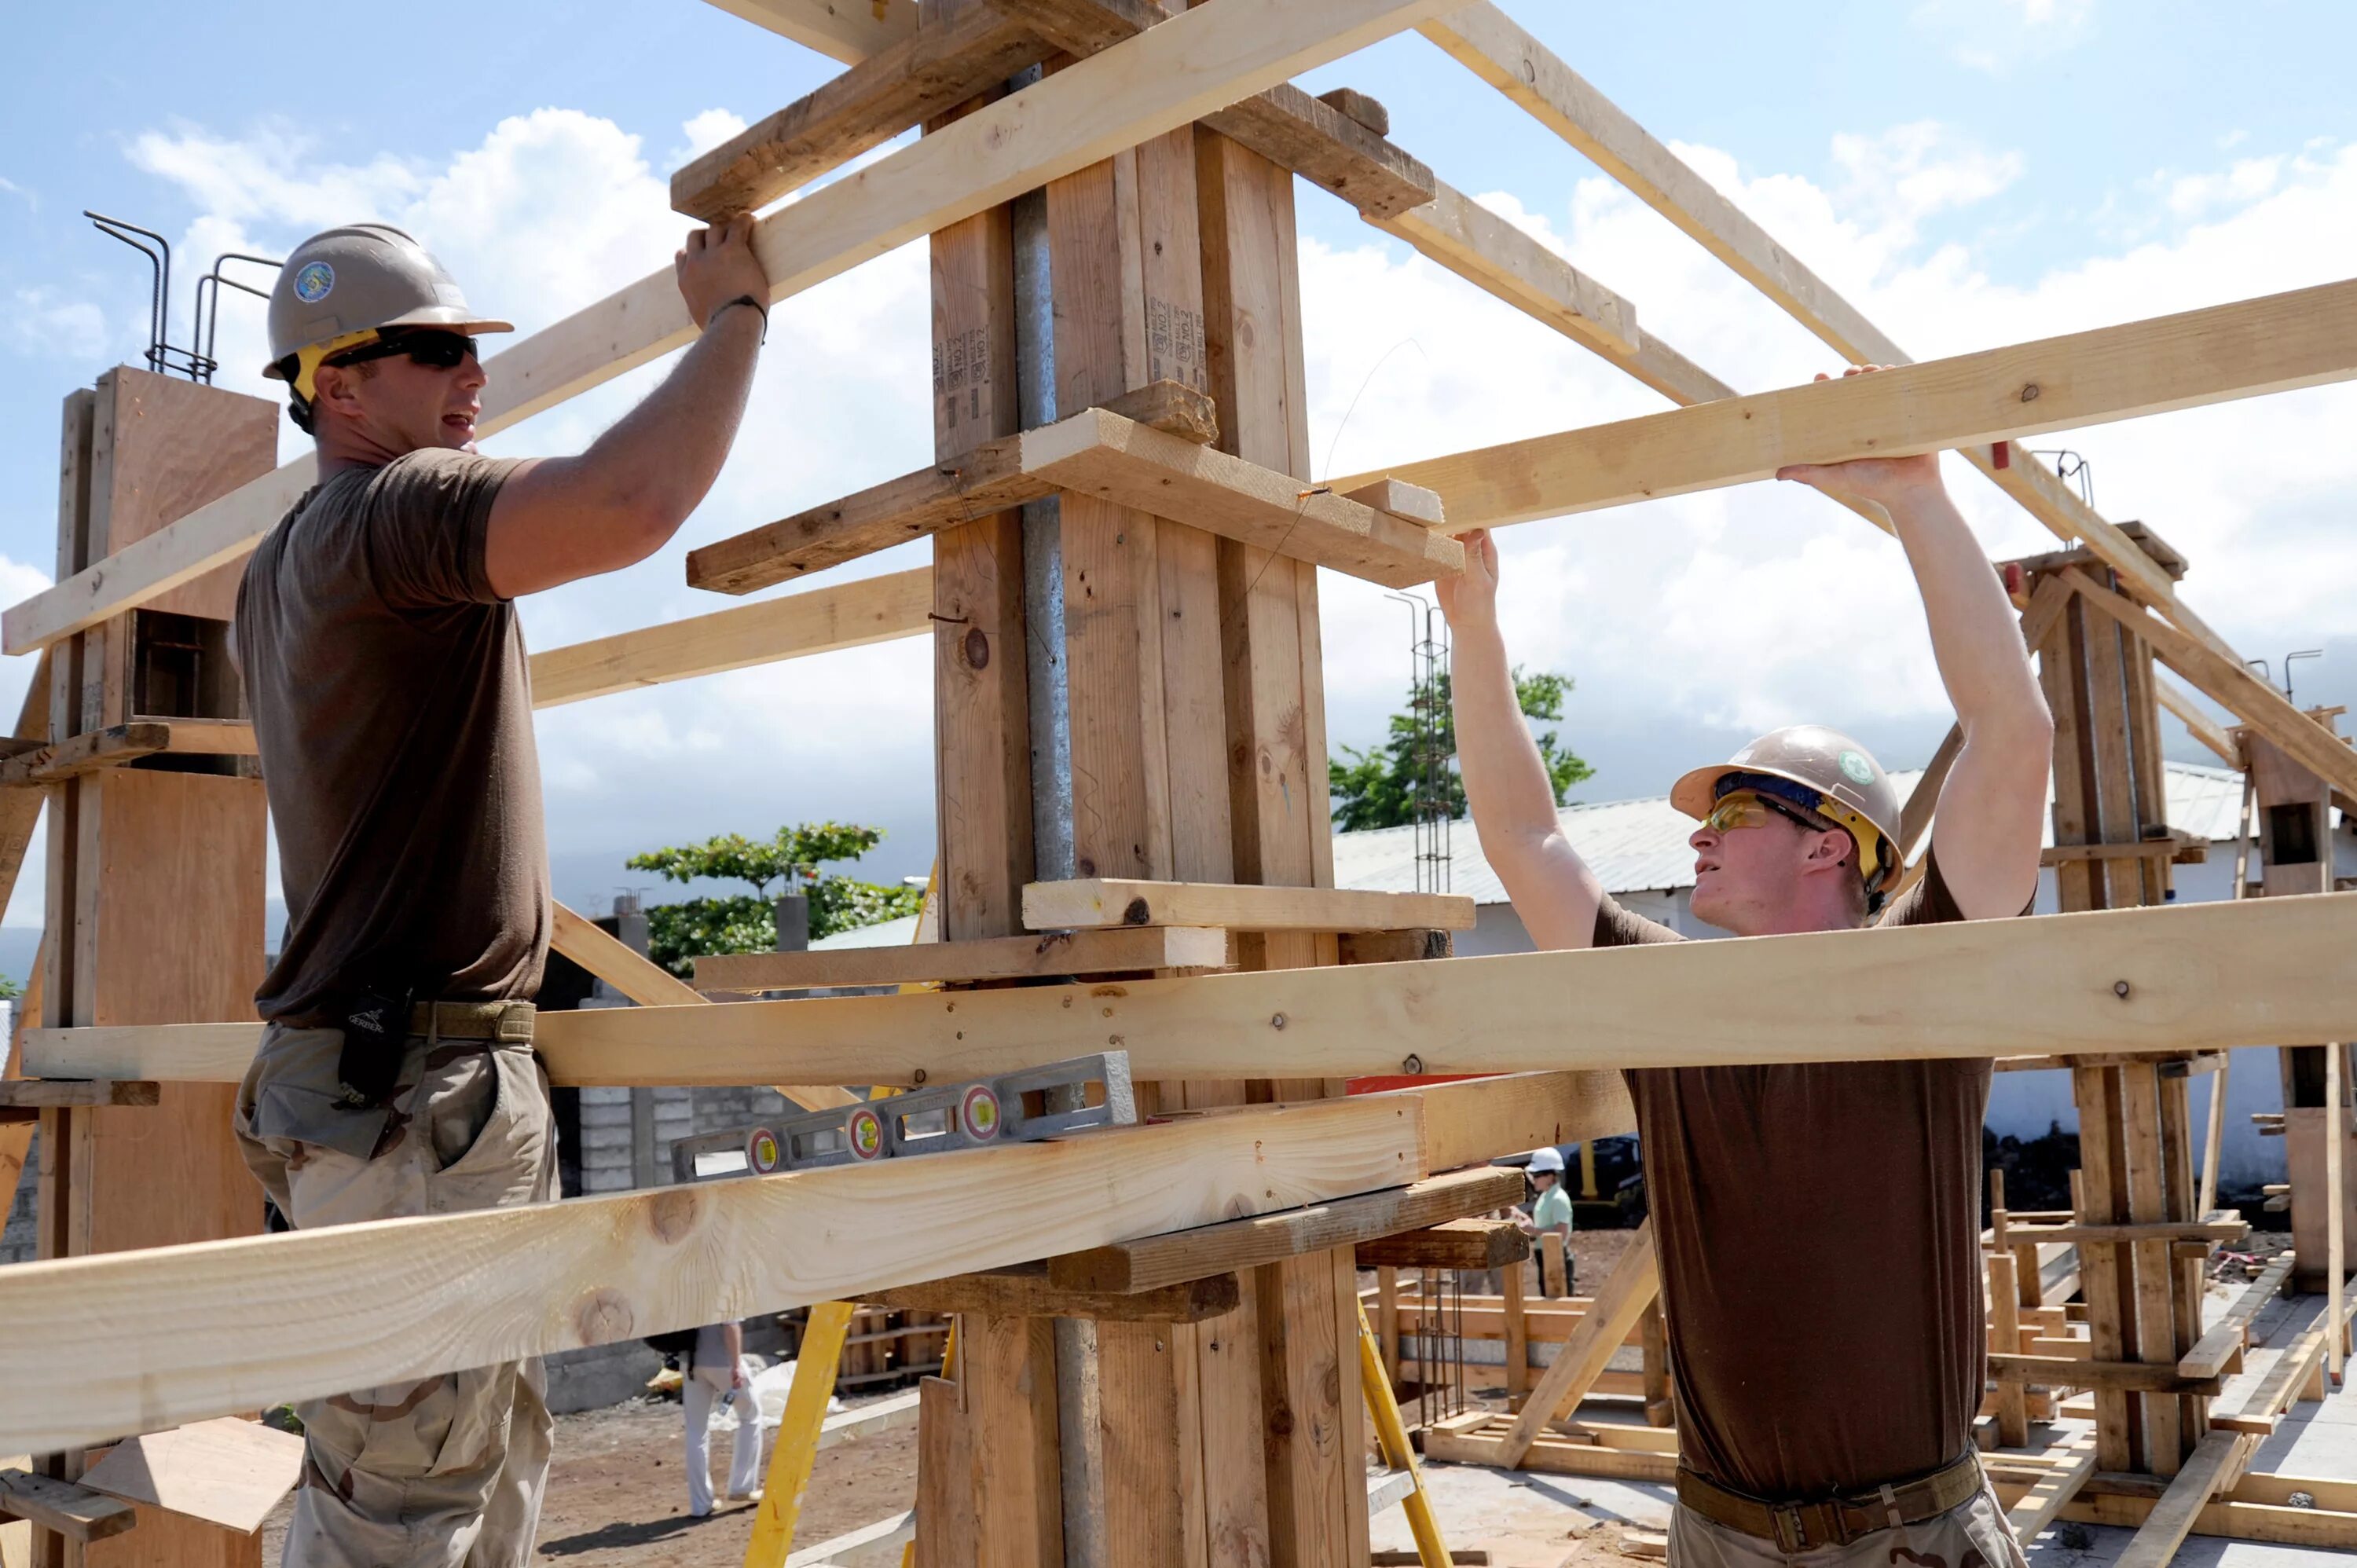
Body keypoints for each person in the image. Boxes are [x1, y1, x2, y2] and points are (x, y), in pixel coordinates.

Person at [230, 216, 772, 1567]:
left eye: (474, 351)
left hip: (404, 1094)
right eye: (433, 353)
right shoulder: (394, 510)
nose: (472, 379)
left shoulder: (283, 560)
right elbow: (628, 504)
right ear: (336, 384)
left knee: (475, 1457)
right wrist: (737, 317)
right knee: (402, 1504)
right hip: (408, 1097)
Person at [1440, 375, 2052, 1568]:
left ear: (1832, 845)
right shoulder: (1670, 1005)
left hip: (1908, 1542)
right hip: (1713, 1538)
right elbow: (1529, 842)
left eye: (1734, 810)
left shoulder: (1927, 976)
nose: (1698, 834)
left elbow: (2012, 735)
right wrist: (1474, 626)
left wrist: (1917, 496)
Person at [683, 1320, 765, 1516]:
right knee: (750, 1416)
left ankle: (700, 1504)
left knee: (696, 1430)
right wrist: (736, 1365)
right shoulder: (722, 1287)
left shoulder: (684, 1288)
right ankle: (742, 1485)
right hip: (722, 1361)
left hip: (690, 1362)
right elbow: (730, 1323)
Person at [1512, 1146, 1574, 1295]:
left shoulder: (1558, 1199)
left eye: (1537, 1175)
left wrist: (1534, 1231)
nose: (1533, 1179)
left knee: (1558, 1303)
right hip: (1547, 1255)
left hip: (1556, 1256)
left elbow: (1562, 1233)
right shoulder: (1547, 1196)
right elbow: (1546, 1223)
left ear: (1551, 1176)